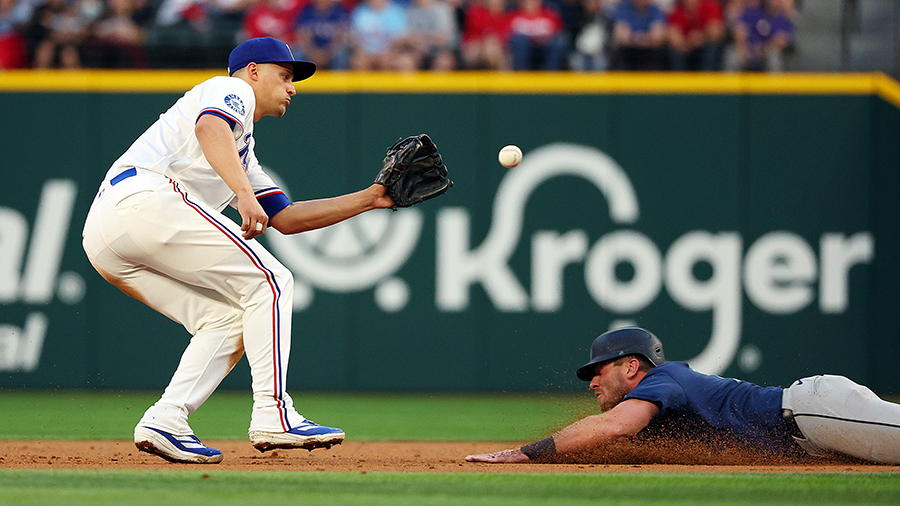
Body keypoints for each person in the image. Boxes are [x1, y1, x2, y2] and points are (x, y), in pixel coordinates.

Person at [82, 36, 396, 464]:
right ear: (253, 71)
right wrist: (243, 196)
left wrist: (371, 197)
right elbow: (210, 127)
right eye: (284, 75)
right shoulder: (229, 90)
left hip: (107, 238)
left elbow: (285, 219)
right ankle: (274, 414)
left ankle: (166, 419)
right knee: (272, 282)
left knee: (228, 319)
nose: (292, 88)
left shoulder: (242, 154)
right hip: (145, 197)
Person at [466, 327, 900, 465]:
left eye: (598, 371)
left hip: (812, 412)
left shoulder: (664, 381)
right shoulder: (658, 401)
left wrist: (527, 452)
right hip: (811, 441)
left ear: (631, 366)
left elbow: (615, 425)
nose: (592, 382)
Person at [666, 0, 724, 71]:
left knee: (712, 46)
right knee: (673, 51)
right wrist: (687, 42)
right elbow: (673, 34)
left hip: (705, 45)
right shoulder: (676, 10)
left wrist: (701, 37)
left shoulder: (709, 6)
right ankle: (679, 79)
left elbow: (716, 32)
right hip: (685, 48)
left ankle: (707, 79)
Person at [610, 0, 666, 70]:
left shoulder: (656, 10)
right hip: (628, 54)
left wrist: (634, 38)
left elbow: (657, 38)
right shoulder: (623, 9)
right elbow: (622, 37)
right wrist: (646, 38)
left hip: (650, 54)